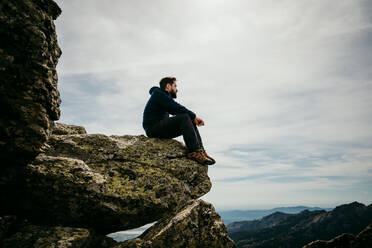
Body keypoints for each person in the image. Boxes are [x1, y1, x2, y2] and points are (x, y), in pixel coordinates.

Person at [142, 77, 215, 165]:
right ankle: (194, 152)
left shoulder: (163, 96)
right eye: (175, 86)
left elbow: (174, 108)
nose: (177, 90)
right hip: (153, 129)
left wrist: (192, 118)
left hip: (160, 128)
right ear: (168, 86)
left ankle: (200, 150)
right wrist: (194, 116)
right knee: (184, 117)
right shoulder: (158, 94)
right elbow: (175, 107)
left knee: (189, 120)